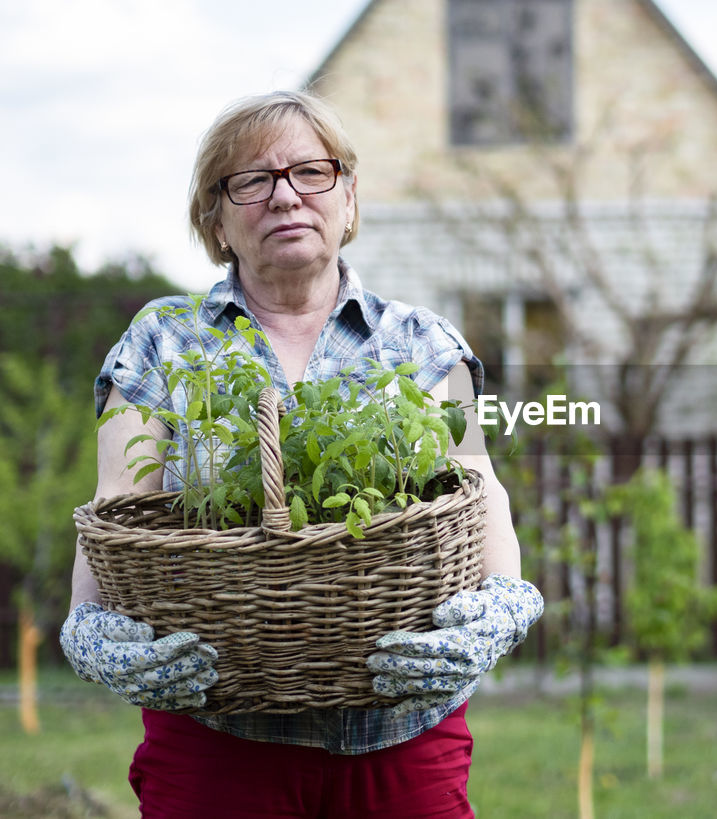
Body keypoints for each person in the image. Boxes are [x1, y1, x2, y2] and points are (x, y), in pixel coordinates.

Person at [58, 90, 543, 819]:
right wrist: (91, 627)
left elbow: (477, 489)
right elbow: (116, 512)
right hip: (219, 734)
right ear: (216, 220)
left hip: (401, 730)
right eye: (251, 180)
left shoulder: (419, 341)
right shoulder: (163, 341)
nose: (285, 196)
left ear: (348, 198)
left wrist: (503, 602)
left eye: (312, 172)